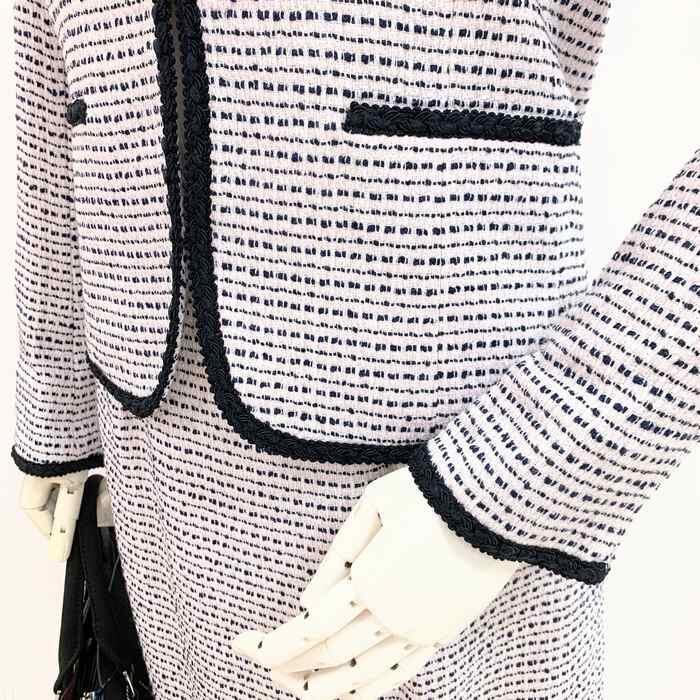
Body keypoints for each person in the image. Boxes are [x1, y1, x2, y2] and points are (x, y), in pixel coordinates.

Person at [14, 1, 698, 698]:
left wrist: (537, 461)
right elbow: (44, 54)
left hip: (446, 433)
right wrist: (56, 394)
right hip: (141, 422)